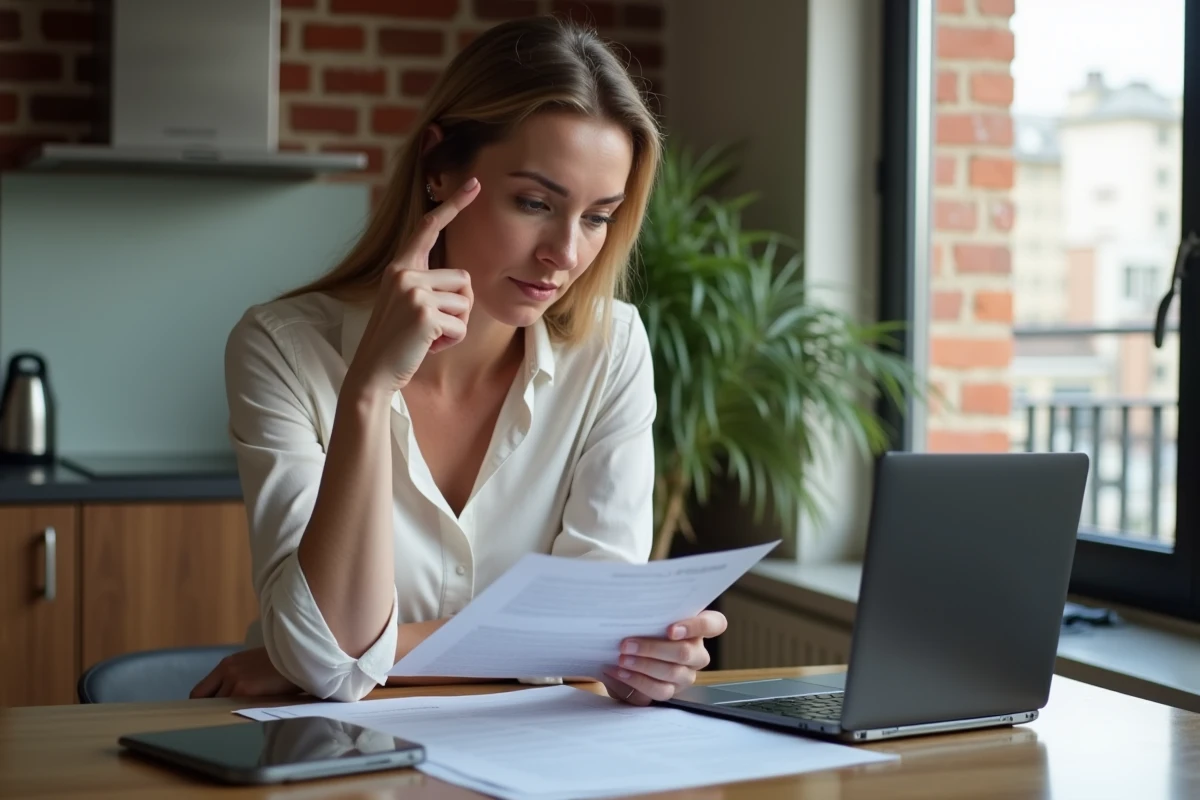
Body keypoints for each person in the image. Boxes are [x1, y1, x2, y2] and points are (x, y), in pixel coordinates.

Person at [191, 15, 726, 705]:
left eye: (598, 217)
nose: (564, 254)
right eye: (534, 202)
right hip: (333, 750)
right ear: (439, 168)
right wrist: (368, 390)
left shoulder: (611, 348)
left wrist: (361, 657)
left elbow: (594, 632)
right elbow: (328, 657)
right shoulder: (283, 349)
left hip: (537, 749)